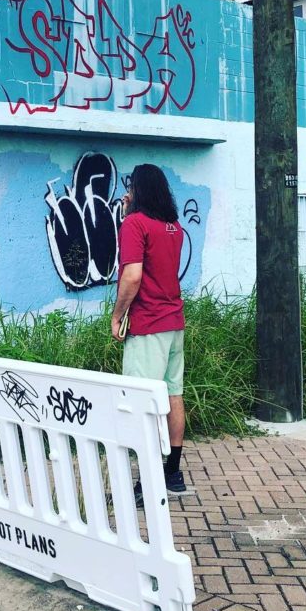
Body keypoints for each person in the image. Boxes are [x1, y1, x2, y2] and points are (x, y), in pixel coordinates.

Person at [110, 164, 187, 498]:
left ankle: (147, 483)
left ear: (138, 189)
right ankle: (172, 475)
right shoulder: (174, 228)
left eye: (130, 187)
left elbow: (133, 276)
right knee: (172, 395)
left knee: (142, 402)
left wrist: (117, 315)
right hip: (174, 323)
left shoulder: (134, 224)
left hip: (148, 326)